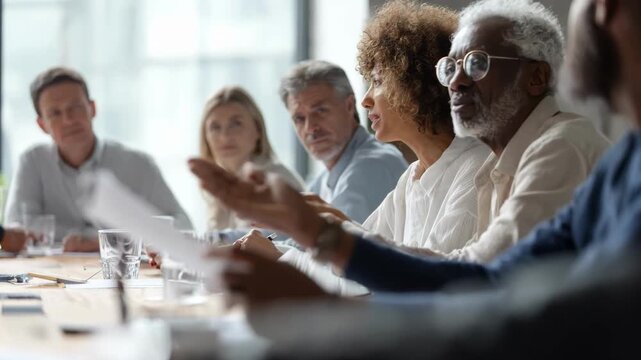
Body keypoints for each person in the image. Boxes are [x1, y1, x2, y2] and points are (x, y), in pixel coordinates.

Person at [187, 0, 626, 299]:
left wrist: (319, 234)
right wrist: (314, 236)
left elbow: (473, 282)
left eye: (476, 64)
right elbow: (467, 277)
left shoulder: (555, 149)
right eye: (449, 67)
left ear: (535, 78)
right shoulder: (497, 163)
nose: (455, 80)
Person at [236, 0, 489, 296]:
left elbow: (423, 281)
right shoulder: (412, 180)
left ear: (416, 85)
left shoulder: (476, 171)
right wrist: (276, 251)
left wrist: (305, 243)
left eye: (378, 81)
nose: (366, 100)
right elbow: (355, 270)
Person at [4, 67, 192, 252]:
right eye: (55, 113)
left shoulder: (138, 164)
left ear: (92, 109)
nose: (68, 120)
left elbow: (184, 227)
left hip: (126, 276)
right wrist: (124, 234)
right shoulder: (32, 162)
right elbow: (18, 230)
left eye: (75, 108)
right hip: (53, 277)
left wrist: (96, 241)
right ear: (42, 124)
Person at [280, 60, 408, 224]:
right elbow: (286, 232)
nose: (310, 127)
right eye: (299, 118)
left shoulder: (372, 165)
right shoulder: (324, 178)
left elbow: (336, 245)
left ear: (349, 105)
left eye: (320, 110)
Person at [198, 86, 304, 232]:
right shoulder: (220, 186)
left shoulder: (275, 180)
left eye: (236, 124)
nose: (225, 136)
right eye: (215, 127)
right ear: (205, 137)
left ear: (258, 130)